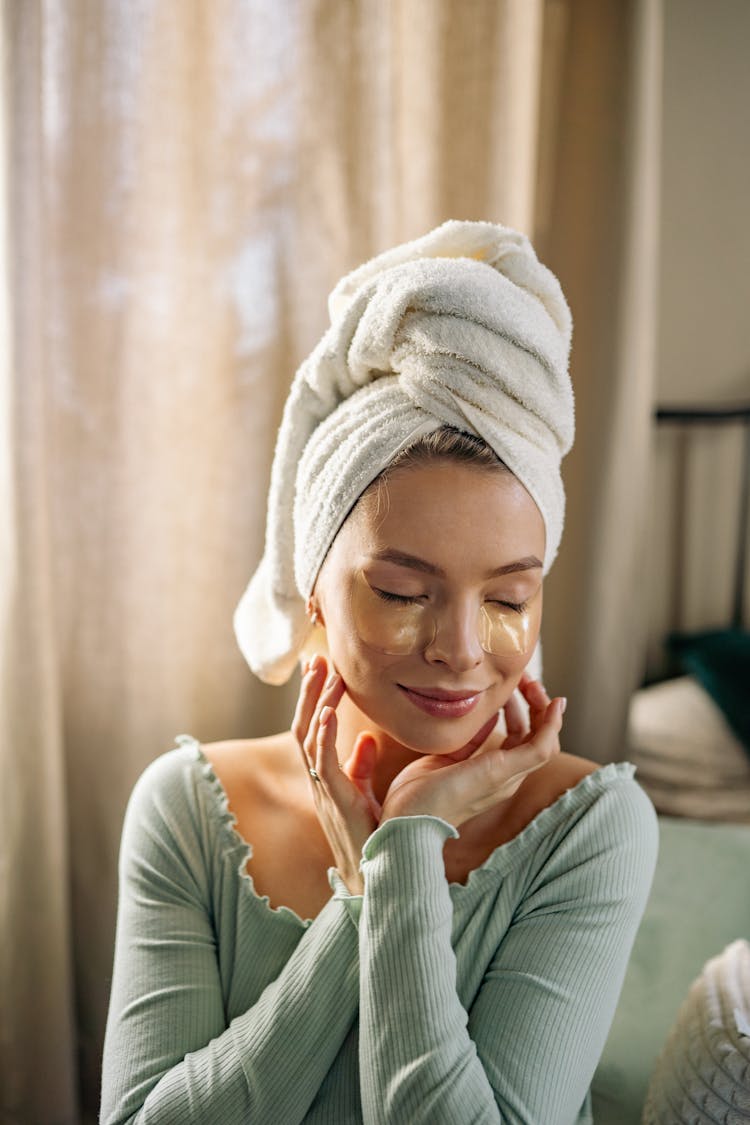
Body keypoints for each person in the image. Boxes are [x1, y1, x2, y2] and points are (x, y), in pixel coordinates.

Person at [100, 220, 658, 1124]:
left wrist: (397, 855)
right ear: (312, 588)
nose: (464, 648)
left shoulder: (589, 829)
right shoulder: (188, 811)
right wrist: (364, 901)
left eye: (509, 598)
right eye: (403, 590)